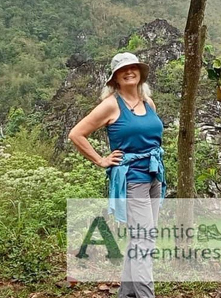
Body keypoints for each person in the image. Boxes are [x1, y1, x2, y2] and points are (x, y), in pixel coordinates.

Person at [68, 52, 166, 298]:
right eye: (123, 69)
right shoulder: (112, 104)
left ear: (140, 72)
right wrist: (101, 160)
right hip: (132, 179)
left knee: (141, 239)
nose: (129, 71)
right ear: (115, 78)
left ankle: (128, 294)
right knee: (144, 241)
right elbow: (77, 134)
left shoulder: (148, 103)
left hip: (154, 176)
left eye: (133, 67)